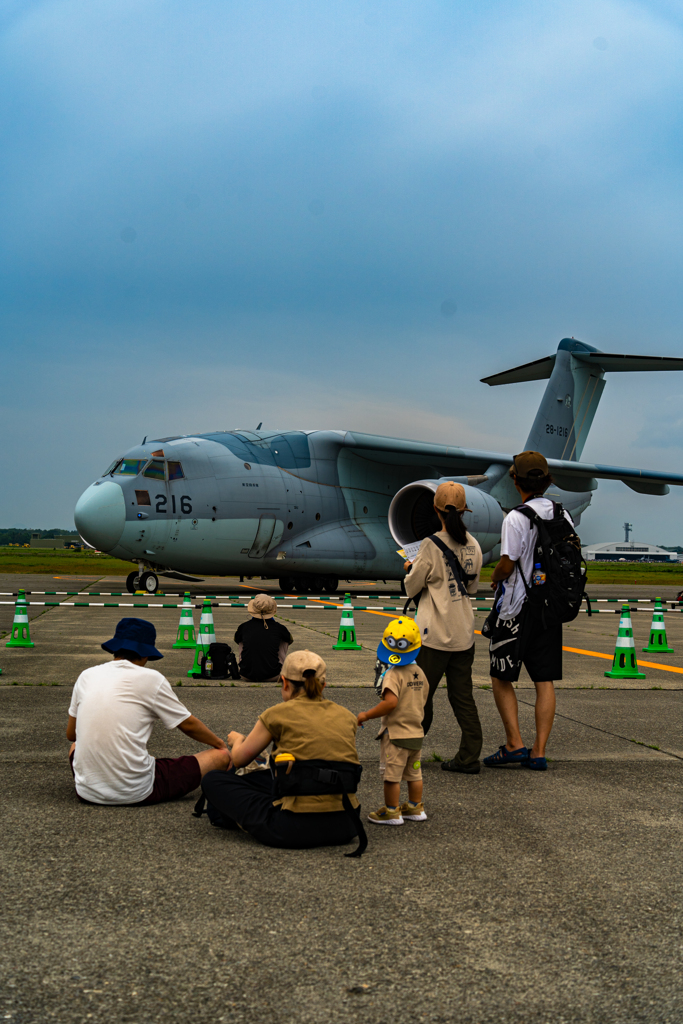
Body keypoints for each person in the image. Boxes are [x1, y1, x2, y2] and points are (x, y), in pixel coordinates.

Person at [200, 650, 365, 853]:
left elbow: (239, 759)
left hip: (291, 827)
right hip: (346, 826)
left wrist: (237, 740)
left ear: (285, 683)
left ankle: (227, 816)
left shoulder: (276, 714)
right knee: (268, 776)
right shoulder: (347, 716)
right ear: (323, 685)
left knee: (213, 780)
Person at [67, 618, 231, 805]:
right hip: (137, 791)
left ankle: (97, 781)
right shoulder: (152, 679)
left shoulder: (87, 675)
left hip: (86, 792)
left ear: (115, 648)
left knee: (75, 746)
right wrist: (220, 744)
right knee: (221, 757)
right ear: (146, 655)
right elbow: (188, 724)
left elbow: (72, 735)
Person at [483, 451, 572, 772]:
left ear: (516, 480)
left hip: (516, 609)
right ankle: (538, 751)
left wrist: (494, 577)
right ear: (547, 480)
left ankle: (514, 744)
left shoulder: (516, 518)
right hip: (550, 608)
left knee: (500, 676)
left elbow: (506, 564)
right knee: (544, 680)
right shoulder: (561, 514)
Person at [403, 480, 484, 774]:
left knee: (419, 696)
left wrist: (411, 569)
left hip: (433, 636)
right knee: (463, 699)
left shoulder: (429, 545)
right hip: (464, 635)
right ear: (464, 511)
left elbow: (412, 587)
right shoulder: (473, 545)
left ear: (436, 509)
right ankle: (469, 757)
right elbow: (472, 588)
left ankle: (409, 753)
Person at [358, 618, 429, 825]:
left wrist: (366, 715)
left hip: (396, 734)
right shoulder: (420, 673)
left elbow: (390, 703)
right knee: (414, 773)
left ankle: (391, 811)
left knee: (392, 776)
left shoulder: (393, 674)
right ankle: (415, 808)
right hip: (416, 732)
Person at [234, 593, 293, 682]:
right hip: (274, 675)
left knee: (241, 639)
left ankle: (246, 665)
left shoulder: (244, 627)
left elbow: (236, 639)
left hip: (246, 675)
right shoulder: (279, 628)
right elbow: (290, 640)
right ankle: (279, 666)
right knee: (284, 639)